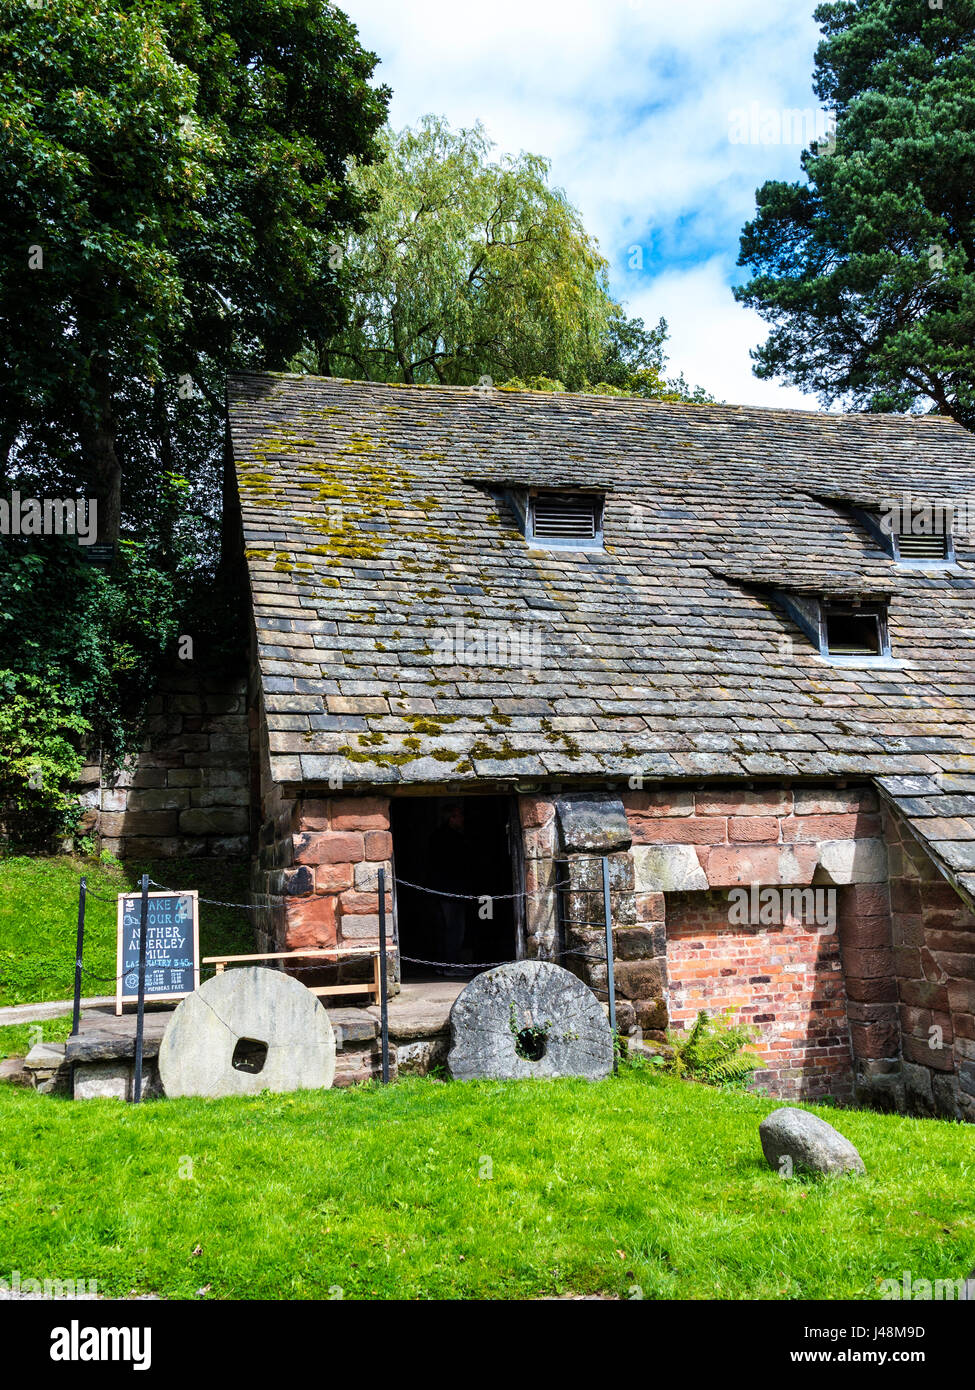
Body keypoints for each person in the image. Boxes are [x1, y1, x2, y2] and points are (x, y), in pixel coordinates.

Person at [425, 801, 472, 965]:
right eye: (460, 816)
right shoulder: (453, 839)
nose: (463, 819)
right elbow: (460, 865)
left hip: (439, 889)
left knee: (444, 928)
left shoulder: (435, 837)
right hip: (452, 890)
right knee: (454, 929)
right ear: (451, 818)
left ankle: (443, 964)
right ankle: (451, 964)